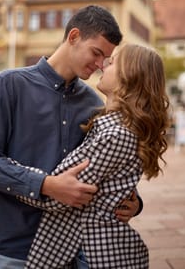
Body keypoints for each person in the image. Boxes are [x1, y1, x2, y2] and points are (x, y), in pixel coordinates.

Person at [0, 5, 142, 268]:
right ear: (74, 36)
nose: (99, 66)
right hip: (15, 247)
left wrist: (134, 203)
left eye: (105, 59)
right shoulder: (9, 84)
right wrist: (46, 185)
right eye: (96, 53)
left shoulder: (94, 103)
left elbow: (105, 167)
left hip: (74, 248)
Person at [11, 43, 170, 269]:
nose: (103, 66)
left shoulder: (114, 135)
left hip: (96, 255)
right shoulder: (113, 127)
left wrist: (10, 175)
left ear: (130, 76)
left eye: (112, 62)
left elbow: (57, 196)